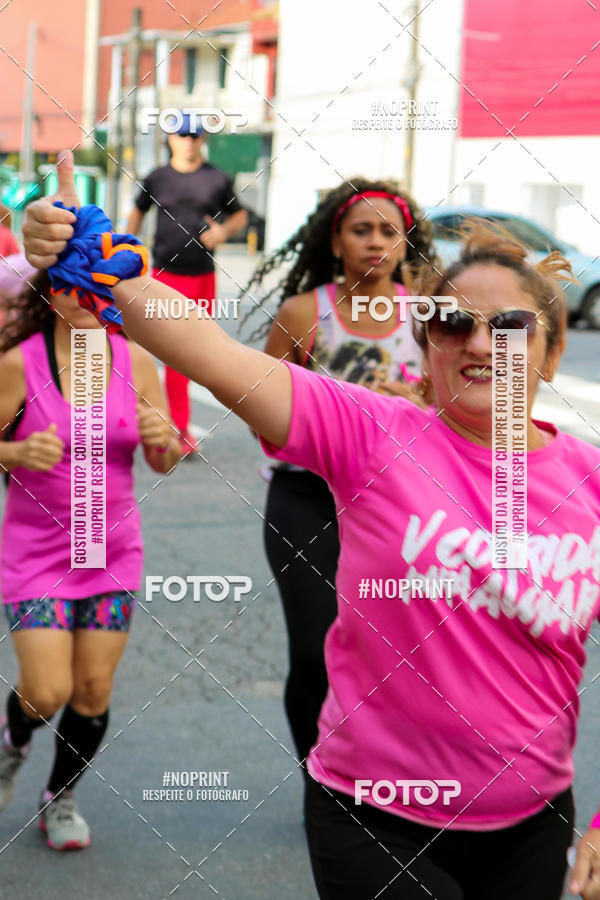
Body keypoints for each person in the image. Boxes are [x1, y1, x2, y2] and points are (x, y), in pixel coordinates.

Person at [23, 154, 600, 899]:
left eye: (511, 327)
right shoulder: (370, 432)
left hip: (535, 820)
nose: (482, 345)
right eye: (453, 323)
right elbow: (212, 352)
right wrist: (98, 260)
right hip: (373, 818)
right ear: (425, 350)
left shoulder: (589, 478)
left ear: (551, 353)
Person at [240, 178, 438, 768]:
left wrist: (416, 402)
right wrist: (334, 413)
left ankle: (384, 771)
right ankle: (319, 777)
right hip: (306, 499)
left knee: (398, 652)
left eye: (388, 231)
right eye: (361, 230)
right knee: (313, 650)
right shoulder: (305, 312)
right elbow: (260, 408)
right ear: (336, 239)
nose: (375, 242)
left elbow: (458, 407)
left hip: (400, 502)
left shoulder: (429, 312)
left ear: (406, 243)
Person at [0, 267, 180, 850]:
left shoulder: (135, 361)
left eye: (95, 286)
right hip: (36, 555)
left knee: (93, 688)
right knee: (46, 690)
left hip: (110, 553)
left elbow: (165, 459)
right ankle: (14, 738)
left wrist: (164, 439)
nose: (83, 298)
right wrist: (18, 450)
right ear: (50, 289)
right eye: (70, 283)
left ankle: (60, 796)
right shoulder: (19, 362)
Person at [127, 113, 248, 454]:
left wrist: (224, 231)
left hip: (202, 277)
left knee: (196, 352)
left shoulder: (217, 179)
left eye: (195, 135)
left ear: (203, 140)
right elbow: (137, 213)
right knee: (167, 350)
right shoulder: (157, 178)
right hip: (164, 274)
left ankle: (179, 427)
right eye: (182, 135)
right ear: (170, 139)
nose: (189, 141)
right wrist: (124, 246)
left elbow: (239, 215)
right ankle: (176, 428)